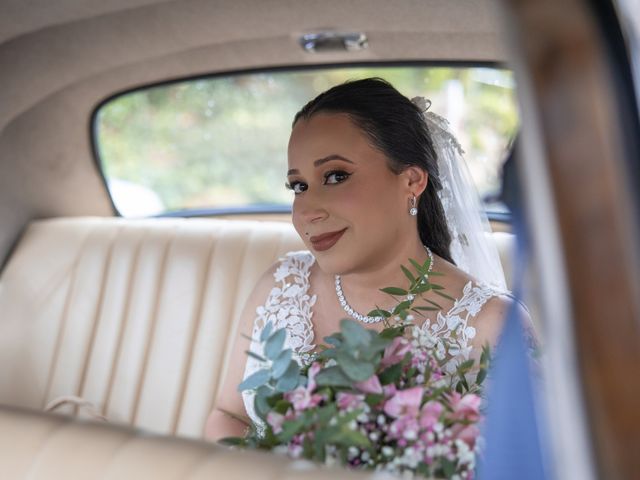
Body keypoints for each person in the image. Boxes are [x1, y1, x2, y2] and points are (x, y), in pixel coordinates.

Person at [205, 78, 517, 441]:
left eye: (335, 176)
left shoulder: (493, 326)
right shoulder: (280, 285)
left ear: (412, 180)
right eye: (298, 186)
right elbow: (228, 414)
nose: (306, 210)